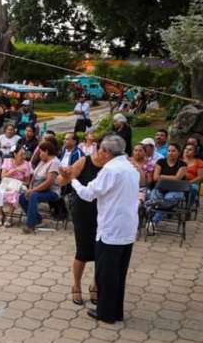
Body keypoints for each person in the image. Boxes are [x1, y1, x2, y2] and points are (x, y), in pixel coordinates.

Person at [63, 135, 139, 324]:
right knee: (119, 273)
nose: (98, 155)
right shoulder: (131, 167)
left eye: (101, 151)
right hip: (127, 228)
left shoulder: (111, 169)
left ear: (107, 152)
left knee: (106, 273)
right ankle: (116, 311)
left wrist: (72, 179)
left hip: (111, 229)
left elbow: (88, 194)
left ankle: (105, 313)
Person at [58, 149, 108, 306]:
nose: (105, 153)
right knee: (83, 251)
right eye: (103, 149)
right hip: (83, 211)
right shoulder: (84, 161)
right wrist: (66, 175)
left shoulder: (112, 165)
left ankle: (95, 284)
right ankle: (76, 285)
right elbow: (61, 181)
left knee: (101, 250)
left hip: (105, 213)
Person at [20, 141, 61, 234]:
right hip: (38, 189)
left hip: (51, 191)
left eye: (41, 152)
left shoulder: (55, 162)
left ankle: (30, 226)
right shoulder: (43, 161)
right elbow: (33, 177)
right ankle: (37, 219)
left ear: (46, 151)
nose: (39, 154)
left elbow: (49, 182)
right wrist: (30, 188)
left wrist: (33, 190)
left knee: (34, 196)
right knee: (22, 197)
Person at [146, 144, 188, 227]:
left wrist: (162, 176)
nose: (170, 153)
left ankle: (153, 221)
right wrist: (171, 177)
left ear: (178, 153)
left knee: (166, 200)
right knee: (155, 198)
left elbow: (177, 179)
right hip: (160, 188)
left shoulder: (183, 164)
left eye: (173, 151)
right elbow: (155, 178)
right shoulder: (161, 161)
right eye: (169, 151)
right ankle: (153, 221)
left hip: (176, 189)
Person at [0, 146, 32, 227]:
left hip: (18, 185)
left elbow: (27, 182)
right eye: (21, 154)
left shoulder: (27, 164)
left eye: (24, 154)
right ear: (15, 154)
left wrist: (18, 183)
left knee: (14, 194)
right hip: (6, 183)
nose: (23, 157)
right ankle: (0, 215)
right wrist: (15, 170)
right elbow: (3, 176)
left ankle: (9, 217)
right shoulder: (7, 161)